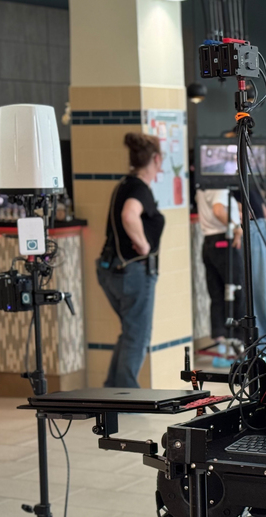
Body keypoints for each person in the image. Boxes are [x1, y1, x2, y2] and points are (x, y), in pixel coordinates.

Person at [96, 133, 166, 388]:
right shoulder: (139, 189)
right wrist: (145, 246)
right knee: (138, 335)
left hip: (111, 270)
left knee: (130, 332)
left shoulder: (124, 185)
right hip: (132, 272)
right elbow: (129, 215)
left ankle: (113, 390)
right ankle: (127, 394)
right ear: (156, 159)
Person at [196, 186, 244, 364]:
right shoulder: (219, 184)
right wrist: (236, 227)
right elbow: (218, 210)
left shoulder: (202, 186)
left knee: (217, 295)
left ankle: (221, 344)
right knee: (237, 291)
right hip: (224, 241)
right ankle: (238, 343)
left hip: (208, 242)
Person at [235, 183, 266, 341]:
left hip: (260, 226)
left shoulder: (245, 177)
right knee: (260, 290)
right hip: (252, 227)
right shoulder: (227, 177)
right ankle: (263, 341)